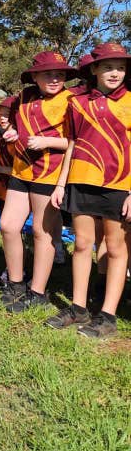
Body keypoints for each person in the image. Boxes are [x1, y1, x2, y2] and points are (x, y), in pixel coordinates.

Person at [48, 42, 131, 339]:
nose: (115, 73)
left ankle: (108, 316)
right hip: (81, 181)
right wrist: (61, 183)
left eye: (120, 68)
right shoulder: (76, 102)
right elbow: (71, 144)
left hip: (120, 185)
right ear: (94, 69)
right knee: (82, 245)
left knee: (117, 249)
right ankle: (78, 308)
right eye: (108, 67)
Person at [0, 51, 75, 313]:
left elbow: (78, 141)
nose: (55, 79)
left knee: (42, 233)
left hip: (50, 173)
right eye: (48, 74)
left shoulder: (72, 100)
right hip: (21, 170)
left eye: (60, 74)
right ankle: (16, 283)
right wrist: (13, 134)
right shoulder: (24, 98)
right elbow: (23, 130)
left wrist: (48, 142)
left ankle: (38, 292)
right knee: (8, 226)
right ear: (35, 76)